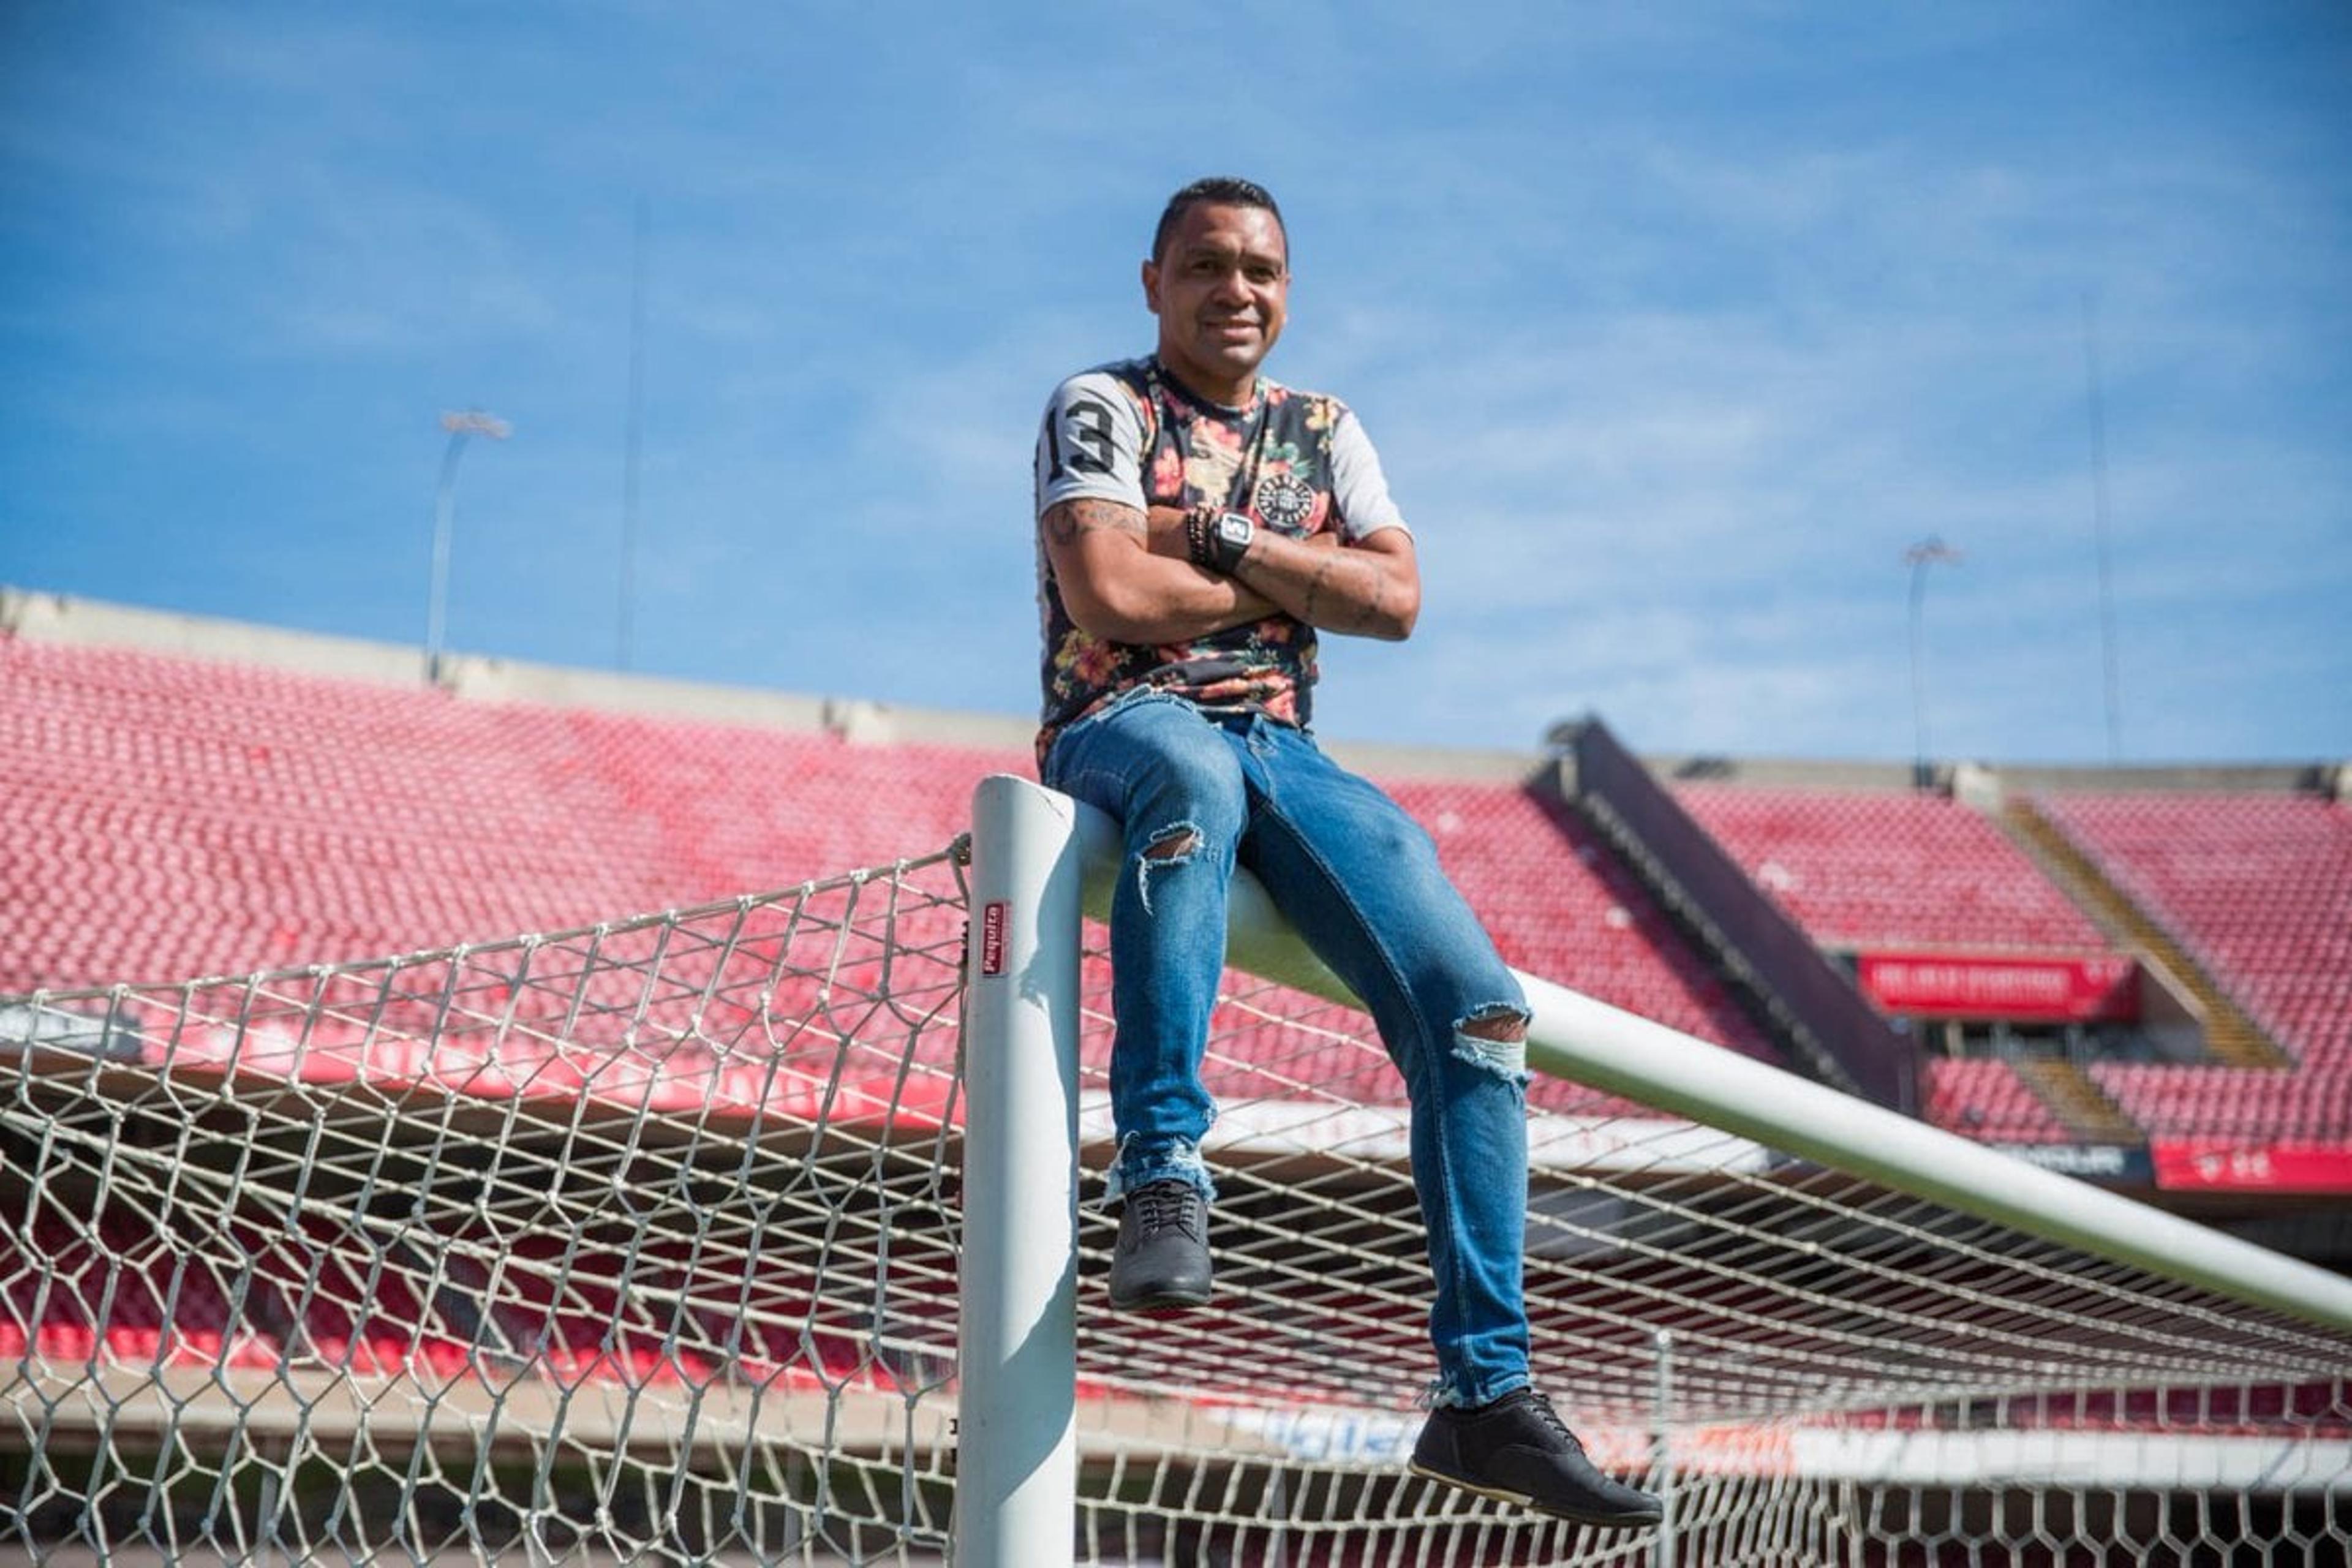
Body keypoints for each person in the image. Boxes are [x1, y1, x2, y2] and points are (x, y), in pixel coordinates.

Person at [1027, 176, 1662, 1530]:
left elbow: (1401, 600)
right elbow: (1110, 593)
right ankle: (1161, 1169)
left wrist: (1228, 535)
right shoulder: (1102, 404)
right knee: (1189, 774)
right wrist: (1300, 573)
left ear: (1289, 286)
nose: (1234, 289)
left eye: (1260, 267)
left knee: (1482, 1011)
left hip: (1285, 747)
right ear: (1154, 281)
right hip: (1125, 720)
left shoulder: (1328, 429)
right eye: (1205, 265)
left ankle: (1486, 1391)